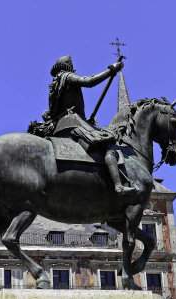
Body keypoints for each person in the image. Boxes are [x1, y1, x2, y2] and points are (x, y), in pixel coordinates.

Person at [43, 55, 137, 196]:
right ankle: (118, 186)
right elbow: (89, 81)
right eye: (71, 64)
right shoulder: (67, 77)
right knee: (107, 146)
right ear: (68, 66)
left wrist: (86, 120)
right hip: (73, 123)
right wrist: (111, 70)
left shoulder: (54, 85)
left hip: (60, 126)